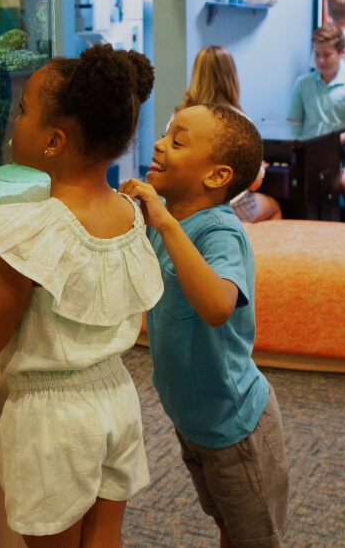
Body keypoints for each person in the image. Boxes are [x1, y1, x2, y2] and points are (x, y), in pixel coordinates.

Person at [0, 45, 163, 547]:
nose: (13, 118)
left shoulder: (36, 233)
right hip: (117, 400)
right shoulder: (128, 215)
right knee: (105, 540)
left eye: (23, 109)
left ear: (54, 141)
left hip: (54, 423)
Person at [120, 104, 289, 548]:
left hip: (236, 427)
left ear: (216, 176)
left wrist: (162, 221)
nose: (159, 143)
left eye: (177, 141)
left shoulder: (219, 232)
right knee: (228, 524)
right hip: (193, 422)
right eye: (165, 134)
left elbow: (217, 306)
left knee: (256, 537)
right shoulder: (166, 219)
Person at [177, 45, 282, 223]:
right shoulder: (240, 122)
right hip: (233, 206)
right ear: (231, 77)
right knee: (273, 208)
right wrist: (261, 170)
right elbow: (253, 183)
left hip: (188, 206)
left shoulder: (178, 117)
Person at [289, 24, 345, 222]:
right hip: (311, 150)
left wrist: (332, 141)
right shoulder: (303, 84)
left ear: (341, 53)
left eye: (327, 55)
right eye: (317, 55)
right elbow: (294, 123)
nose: (321, 60)